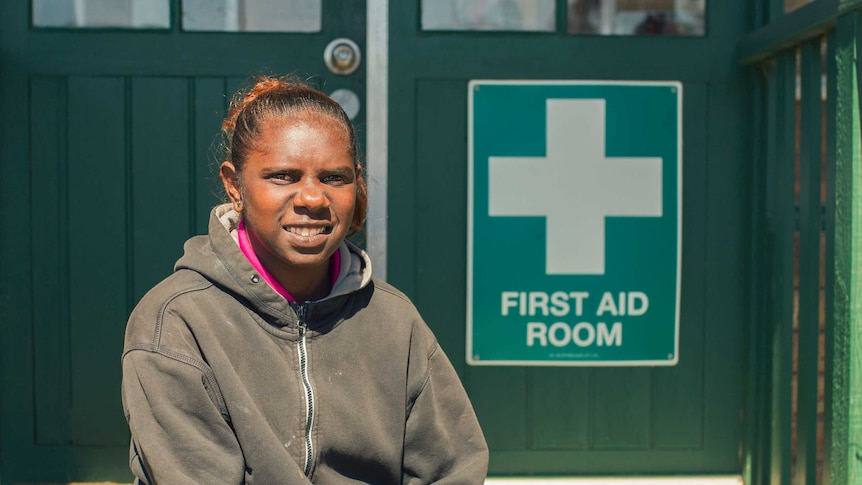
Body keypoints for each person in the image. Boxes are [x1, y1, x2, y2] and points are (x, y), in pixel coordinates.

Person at [121, 75, 489, 484]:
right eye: (283, 176)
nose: (312, 199)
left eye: (334, 177)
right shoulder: (177, 322)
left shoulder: (394, 322)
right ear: (234, 184)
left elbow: (453, 469)